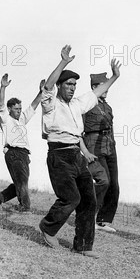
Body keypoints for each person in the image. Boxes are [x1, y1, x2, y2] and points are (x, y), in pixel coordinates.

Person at [38, 45, 121, 259]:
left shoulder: (77, 104)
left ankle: (83, 245)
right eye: (68, 84)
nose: (72, 88)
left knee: (89, 200)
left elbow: (96, 92)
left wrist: (114, 77)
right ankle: (48, 227)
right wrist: (64, 62)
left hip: (77, 154)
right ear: (60, 86)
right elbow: (47, 86)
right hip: (59, 155)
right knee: (70, 198)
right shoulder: (50, 104)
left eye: (75, 84)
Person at [0, 70, 42, 213]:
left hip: (24, 154)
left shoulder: (22, 120)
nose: (19, 111)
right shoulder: (5, 119)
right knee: (21, 181)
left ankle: (0, 197)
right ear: (9, 109)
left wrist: (40, 92)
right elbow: (0, 103)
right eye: (16, 109)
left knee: (21, 182)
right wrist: (3, 87)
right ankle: (24, 207)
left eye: (20, 109)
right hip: (13, 152)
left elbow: (33, 106)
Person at [81, 67, 121, 233]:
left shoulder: (108, 107)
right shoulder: (87, 105)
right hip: (93, 144)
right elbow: (79, 129)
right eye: (101, 86)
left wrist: (113, 144)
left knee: (114, 185)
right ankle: (89, 214)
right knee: (103, 181)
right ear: (94, 88)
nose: (106, 89)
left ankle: (104, 220)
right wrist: (84, 151)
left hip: (109, 145)